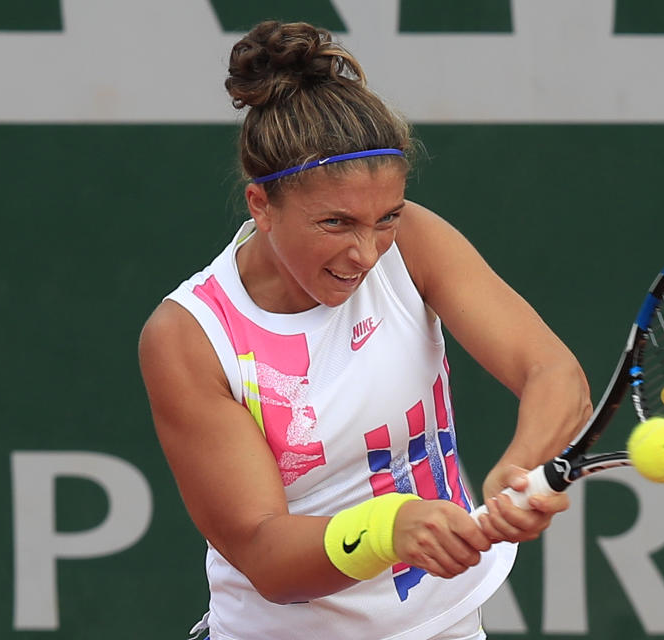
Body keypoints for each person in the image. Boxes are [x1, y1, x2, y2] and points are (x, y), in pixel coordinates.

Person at [138, 20, 592, 640]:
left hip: (449, 626)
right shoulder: (191, 336)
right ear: (261, 205)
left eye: (386, 218)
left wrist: (520, 469)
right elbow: (266, 553)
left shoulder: (413, 243)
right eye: (335, 222)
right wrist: (389, 529)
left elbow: (554, 375)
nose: (367, 252)